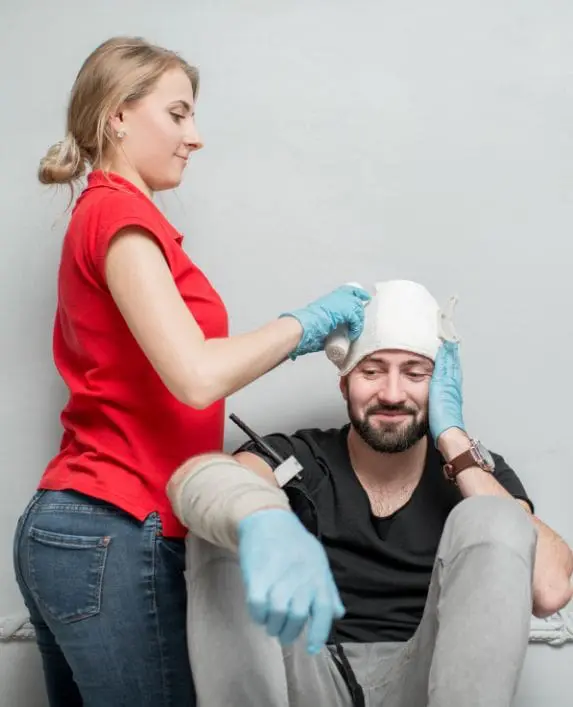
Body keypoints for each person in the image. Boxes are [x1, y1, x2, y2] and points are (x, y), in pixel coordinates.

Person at [12, 35, 371, 707]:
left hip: (84, 531)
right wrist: (306, 324)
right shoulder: (118, 215)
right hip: (111, 527)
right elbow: (196, 375)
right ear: (118, 114)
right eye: (178, 114)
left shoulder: (111, 215)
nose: (195, 136)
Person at [168, 280, 573, 707]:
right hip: (308, 676)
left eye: (416, 374)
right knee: (224, 519)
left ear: (439, 389)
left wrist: (454, 441)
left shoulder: (474, 470)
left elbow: (549, 589)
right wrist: (260, 517)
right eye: (372, 371)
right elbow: (195, 481)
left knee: (494, 515)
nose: (393, 394)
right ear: (344, 384)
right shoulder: (299, 457)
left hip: (429, 679)